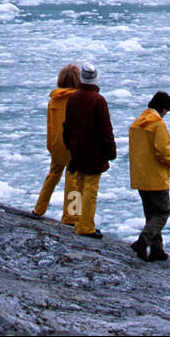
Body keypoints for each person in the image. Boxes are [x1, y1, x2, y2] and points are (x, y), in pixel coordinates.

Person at [61, 62, 116, 238]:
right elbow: (105, 129)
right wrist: (110, 152)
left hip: (77, 150)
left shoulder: (73, 98)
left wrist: (69, 145)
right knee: (90, 188)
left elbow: (67, 126)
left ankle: (74, 218)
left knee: (77, 185)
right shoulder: (98, 100)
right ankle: (86, 225)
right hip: (94, 152)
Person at [129, 91, 170, 263]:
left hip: (140, 176)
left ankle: (157, 249)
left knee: (151, 213)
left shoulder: (137, 123)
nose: (165, 115)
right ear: (163, 109)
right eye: (166, 111)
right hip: (156, 176)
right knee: (163, 212)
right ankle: (143, 241)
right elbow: (163, 151)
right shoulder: (158, 124)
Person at [32, 64, 81, 224]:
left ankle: (39, 209)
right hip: (73, 145)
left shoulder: (54, 100)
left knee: (53, 175)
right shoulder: (78, 99)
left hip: (56, 145)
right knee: (73, 180)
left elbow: (50, 125)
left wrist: (50, 146)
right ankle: (71, 216)